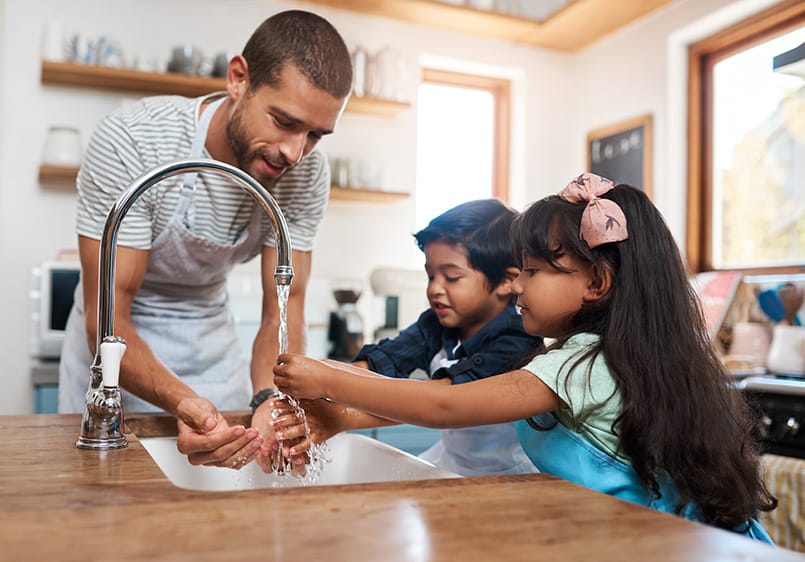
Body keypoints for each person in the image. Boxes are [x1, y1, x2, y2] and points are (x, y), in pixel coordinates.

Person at [273, 173, 777, 541]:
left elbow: (446, 405)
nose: (518, 284)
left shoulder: (576, 365)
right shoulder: (613, 357)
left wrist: (327, 378)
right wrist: (337, 411)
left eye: (533, 271)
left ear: (596, 284)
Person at [58, 10, 352, 473]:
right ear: (238, 79)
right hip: (113, 352)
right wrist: (183, 401)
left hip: (210, 343)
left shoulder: (305, 175)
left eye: (315, 135)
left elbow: (283, 309)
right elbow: (109, 315)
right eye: (283, 121)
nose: (295, 152)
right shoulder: (135, 140)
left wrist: (272, 401)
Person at [303, 199, 544, 476]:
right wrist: (315, 375)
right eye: (431, 275)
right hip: (451, 462)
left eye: (451, 277)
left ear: (505, 281)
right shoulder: (435, 324)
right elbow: (380, 363)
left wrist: (333, 394)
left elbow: (444, 400)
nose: (435, 289)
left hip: (511, 476)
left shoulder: (517, 339)